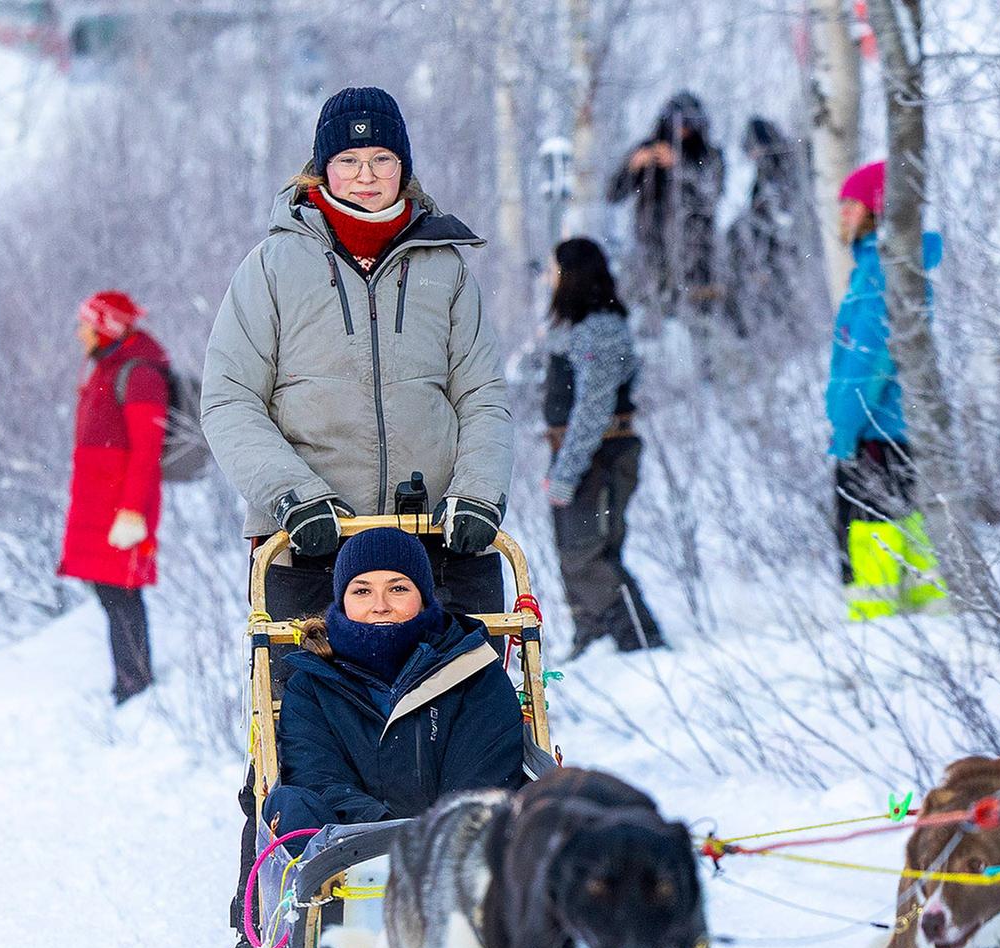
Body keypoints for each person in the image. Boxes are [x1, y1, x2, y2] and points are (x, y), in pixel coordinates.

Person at [202, 85, 512, 624]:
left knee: (458, 705)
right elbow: (230, 401)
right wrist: (291, 496)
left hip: (438, 540)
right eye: (348, 160)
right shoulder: (271, 266)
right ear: (323, 169)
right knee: (316, 707)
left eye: (380, 159)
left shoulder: (447, 269)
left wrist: (478, 493)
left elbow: (482, 396)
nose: (365, 176)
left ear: (402, 166)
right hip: (311, 544)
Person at [260, 527, 527, 838]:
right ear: (342, 601)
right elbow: (318, 779)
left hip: (458, 850)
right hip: (351, 856)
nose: (380, 605)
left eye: (398, 588)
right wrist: (385, 835)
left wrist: (427, 844)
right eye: (362, 591)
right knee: (290, 804)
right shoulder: (311, 686)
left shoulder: (474, 671)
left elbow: (485, 776)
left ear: (424, 597)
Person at [826, 160, 946, 620]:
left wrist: (846, 427)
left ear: (875, 209)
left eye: (851, 205)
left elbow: (868, 363)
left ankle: (878, 634)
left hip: (874, 433)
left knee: (869, 538)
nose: (843, 216)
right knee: (907, 533)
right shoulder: (883, 268)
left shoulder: (881, 275)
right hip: (893, 430)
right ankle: (930, 627)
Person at [544, 238, 667, 656]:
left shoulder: (599, 328)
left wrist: (567, 471)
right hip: (590, 455)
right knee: (580, 551)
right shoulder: (582, 327)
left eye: (555, 269)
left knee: (587, 554)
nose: (549, 277)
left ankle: (641, 640)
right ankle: (593, 637)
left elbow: (593, 410)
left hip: (600, 457)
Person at [56, 290, 169, 704]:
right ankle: (129, 680)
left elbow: (147, 449)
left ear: (105, 327)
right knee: (110, 592)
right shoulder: (108, 366)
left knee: (121, 592)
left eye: (86, 324)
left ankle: (135, 683)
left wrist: (133, 512)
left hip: (121, 507)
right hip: (99, 505)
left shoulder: (139, 374)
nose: (80, 333)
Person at [606, 91, 725, 328]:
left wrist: (680, 166)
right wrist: (633, 166)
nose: (683, 131)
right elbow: (614, 194)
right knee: (656, 320)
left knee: (697, 324)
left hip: (696, 257)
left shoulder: (708, 156)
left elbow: (711, 195)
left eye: (689, 125)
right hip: (652, 252)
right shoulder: (648, 150)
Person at [722, 116, 819, 339]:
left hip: (796, 247)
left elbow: (787, 208)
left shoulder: (790, 160)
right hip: (777, 252)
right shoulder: (764, 173)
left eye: (754, 149)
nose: (753, 155)